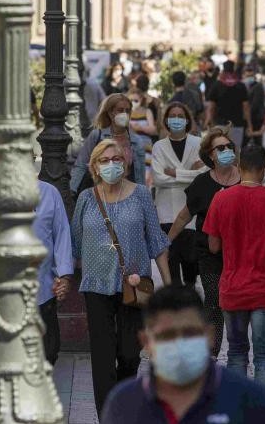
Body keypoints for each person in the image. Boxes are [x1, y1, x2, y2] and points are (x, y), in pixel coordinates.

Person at [71, 139, 172, 416]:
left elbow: (157, 241)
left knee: (129, 354)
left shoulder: (141, 194)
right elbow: (74, 244)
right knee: (103, 359)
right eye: (105, 160)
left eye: (117, 158)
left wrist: (170, 289)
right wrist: (64, 277)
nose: (112, 164)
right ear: (94, 166)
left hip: (134, 287)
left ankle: (125, 404)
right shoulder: (86, 199)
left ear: (126, 163)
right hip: (96, 286)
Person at [100, 286, 265, 424]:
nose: (179, 344)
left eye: (190, 333)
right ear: (146, 341)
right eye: (167, 335)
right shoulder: (124, 404)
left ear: (210, 336)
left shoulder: (252, 403)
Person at [203, 145, 265, 394]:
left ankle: (236, 413)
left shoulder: (221, 198)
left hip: (233, 289)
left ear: (239, 168)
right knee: (264, 358)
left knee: (236, 354)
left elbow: (213, 246)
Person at [0, 183, 73, 365]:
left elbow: (62, 234)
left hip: (43, 292)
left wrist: (65, 275)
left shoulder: (50, 194)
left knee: (48, 354)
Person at [167, 127, 240, 357]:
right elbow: (183, 216)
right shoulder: (201, 183)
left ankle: (238, 350)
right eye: (221, 148)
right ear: (210, 155)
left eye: (230, 147)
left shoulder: (245, 178)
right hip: (208, 253)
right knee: (214, 300)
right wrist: (165, 243)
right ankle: (212, 352)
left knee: (239, 304)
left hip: (241, 254)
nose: (227, 150)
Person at [152, 103, 206, 288]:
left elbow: (203, 175)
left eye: (180, 115)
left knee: (191, 264)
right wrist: (189, 173)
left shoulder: (198, 144)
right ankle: (175, 305)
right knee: (171, 262)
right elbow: (158, 179)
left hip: (191, 213)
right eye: (172, 115)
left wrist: (175, 173)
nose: (176, 119)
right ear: (166, 120)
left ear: (187, 119)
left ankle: (189, 301)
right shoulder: (159, 147)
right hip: (166, 213)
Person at [71, 94, 150, 193]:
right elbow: (81, 165)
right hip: (100, 194)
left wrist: (142, 196)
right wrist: (72, 190)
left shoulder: (137, 141)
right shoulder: (97, 136)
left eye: (127, 110)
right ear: (110, 113)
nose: (124, 114)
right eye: (120, 110)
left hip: (128, 196)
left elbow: (140, 175)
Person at [204, 60, 251, 149]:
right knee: (235, 152)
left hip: (220, 125)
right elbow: (246, 108)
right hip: (237, 124)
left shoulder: (216, 85)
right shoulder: (241, 86)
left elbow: (211, 107)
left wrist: (209, 122)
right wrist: (249, 125)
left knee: (220, 152)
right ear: (233, 71)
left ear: (223, 71)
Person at [243, 64, 265, 148]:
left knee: (257, 143)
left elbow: (256, 104)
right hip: (245, 118)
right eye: (247, 72)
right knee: (244, 143)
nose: (249, 74)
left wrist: (247, 114)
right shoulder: (242, 85)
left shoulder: (258, 86)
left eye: (251, 72)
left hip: (256, 118)